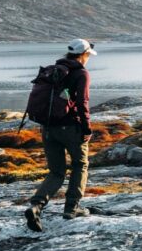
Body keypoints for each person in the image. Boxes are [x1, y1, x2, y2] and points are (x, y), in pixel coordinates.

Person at [21, 38, 96, 232]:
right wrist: (87, 128)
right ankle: (72, 208)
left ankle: (36, 206)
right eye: (88, 55)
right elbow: (82, 103)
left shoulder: (54, 70)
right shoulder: (81, 73)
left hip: (47, 128)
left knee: (56, 172)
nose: (88, 59)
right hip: (69, 128)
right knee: (80, 165)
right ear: (84, 54)